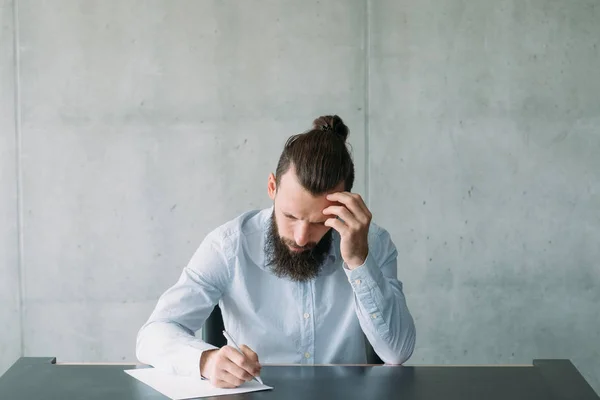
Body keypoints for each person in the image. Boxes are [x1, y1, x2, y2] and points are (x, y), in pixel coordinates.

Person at [136, 115, 416, 388]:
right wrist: (207, 361)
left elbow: (397, 352)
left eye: (320, 222)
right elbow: (152, 335)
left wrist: (359, 261)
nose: (301, 236)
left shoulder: (373, 243)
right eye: (290, 216)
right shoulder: (228, 245)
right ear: (272, 187)